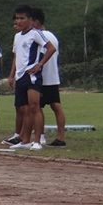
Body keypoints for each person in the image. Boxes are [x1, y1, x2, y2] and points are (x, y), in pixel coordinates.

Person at [5, 5, 55, 150]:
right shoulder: (17, 36)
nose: (19, 21)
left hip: (31, 75)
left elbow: (51, 48)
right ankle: (25, 140)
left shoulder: (36, 33)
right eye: (17, 18)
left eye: (22, 18)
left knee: (34, 107)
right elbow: (16, 56)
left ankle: (38, 141)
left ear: (30, 20)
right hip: (20, 76)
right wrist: (12, 75)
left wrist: (40, 64)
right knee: (24, 109)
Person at [33, 8, 66, 146]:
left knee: (36, 108)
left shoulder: (37, 36)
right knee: (56, 107)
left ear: (36, 22)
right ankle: (61, 137)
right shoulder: (53, 36)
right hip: (53, 77)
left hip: (41, 77)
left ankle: (40, 136)